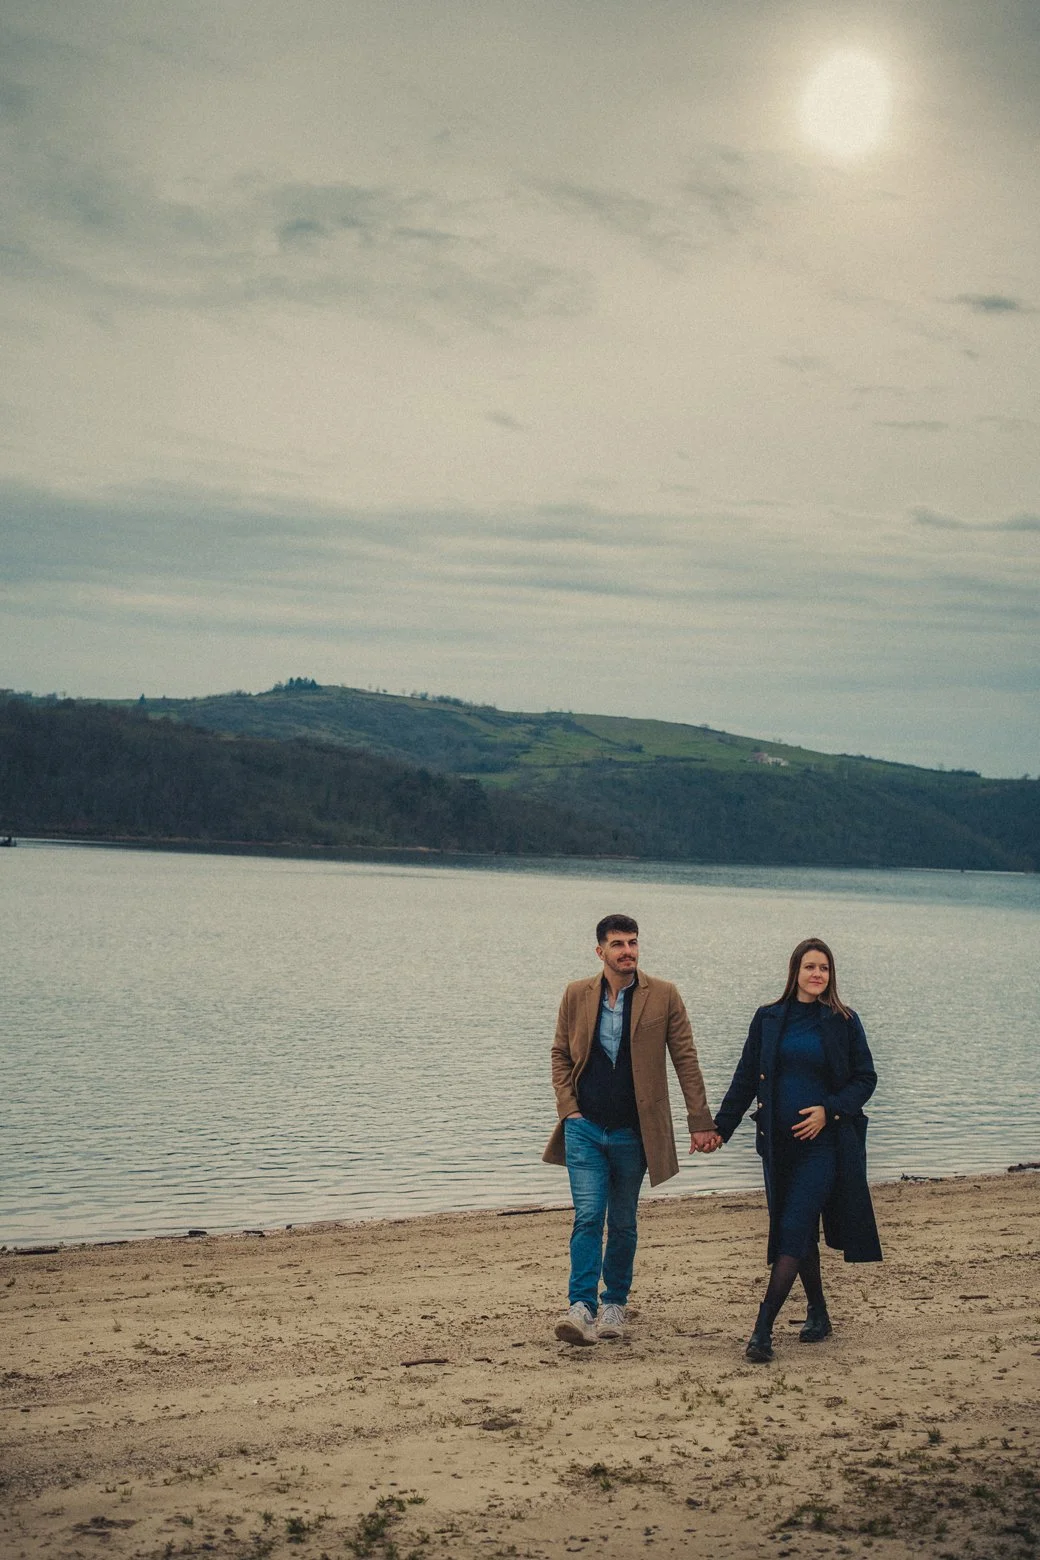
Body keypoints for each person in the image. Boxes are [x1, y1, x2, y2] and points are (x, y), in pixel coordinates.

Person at [543, 914, 721, 1345]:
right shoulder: (575, 994)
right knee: (588, 1216)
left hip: (634, 1132)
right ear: (600, 951)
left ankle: (614, 1305)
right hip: (584, 1129)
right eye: (618, 944)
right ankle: (581, 1307)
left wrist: (700, 1122)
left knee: (622, 1221)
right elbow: (560, 1054)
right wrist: (569, 1109)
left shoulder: (664, 995)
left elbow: (685, 1059)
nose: (628, 951)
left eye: (633, 942)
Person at [713, 937, 882, 1363]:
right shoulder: (769, 1018)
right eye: (810, 967)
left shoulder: (843, 1021)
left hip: (823, 1147)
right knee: (798, 1232)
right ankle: (819, 1313)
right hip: (777, 1148)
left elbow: (865, 1079)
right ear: (795, 971)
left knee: (794, 1229)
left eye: (824, 968)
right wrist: (719, 1129)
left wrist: (829, 1110)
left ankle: (762, 1330)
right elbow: (746, 1078)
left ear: (831, 974)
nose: (817, 974)